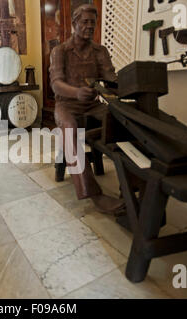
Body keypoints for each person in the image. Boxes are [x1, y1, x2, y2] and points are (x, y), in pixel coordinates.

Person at [49, 4, 124, 214]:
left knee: (121, 120)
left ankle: (131, 185)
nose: (90, 26)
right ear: (74, 24)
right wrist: (76, 92)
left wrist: (122, 85)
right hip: (66, 105)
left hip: (93, 105)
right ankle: (94, 194)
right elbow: (56, 83)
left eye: (93, 22)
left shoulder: (100, 51)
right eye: (85, 22)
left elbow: (111, 79)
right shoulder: (60, 51)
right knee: (69, 127)